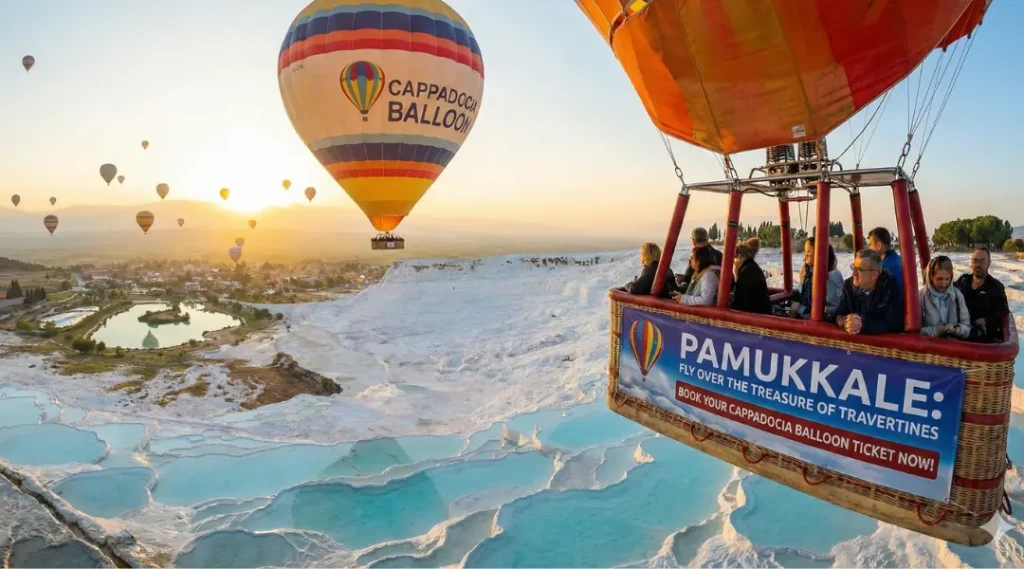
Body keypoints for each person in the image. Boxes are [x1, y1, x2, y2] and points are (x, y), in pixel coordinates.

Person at [835, 249, 904, 335]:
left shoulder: (890, 288)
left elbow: (894, 323)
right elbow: (839, 314)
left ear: (874, 275)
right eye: (853, 267)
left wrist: (863, 325)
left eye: (859, 269)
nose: (853, 273)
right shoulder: (848, 285)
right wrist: (846, 322)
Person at [954, 246, 1009, 343]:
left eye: (982, 261)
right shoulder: (963, 281)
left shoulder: (996, 287)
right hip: (960, 334)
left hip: (982, 340)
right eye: (975, 260)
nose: (978, 264)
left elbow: (1003, 312)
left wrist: (987, 320)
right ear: (971, 263)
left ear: (989, 263)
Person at [791, 237, 844, 321]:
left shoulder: (832, 276)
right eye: (805, 251)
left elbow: (830, 310)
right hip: (804, 315)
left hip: (822, 322)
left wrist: (800, 309)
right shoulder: (806, 270)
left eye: (809, 251)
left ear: (819, 253)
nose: (805, 255)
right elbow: (803, 294)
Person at [920, 255, 971, 339]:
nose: (944, 283)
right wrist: (937, 331)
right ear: (931, 276)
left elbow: (967, 327)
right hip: (929, 349)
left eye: (947, 279)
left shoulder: (957, 295)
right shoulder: (921, 297)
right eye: (939, 279)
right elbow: (916, 331)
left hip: (953, 348)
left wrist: (956, 330)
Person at [730, 237, 771, 314]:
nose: (733, 264)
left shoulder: (746, 273)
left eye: (734, 260)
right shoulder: (753, 267)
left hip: (755, 318)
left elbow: (742, 303)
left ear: (738, 257)